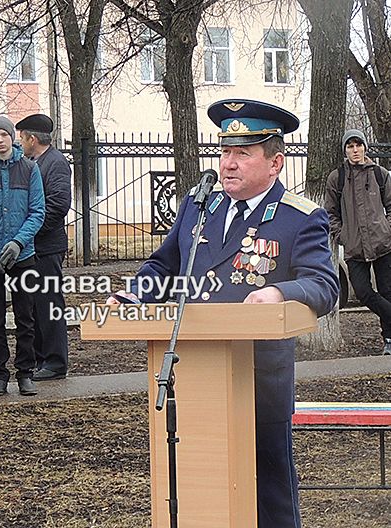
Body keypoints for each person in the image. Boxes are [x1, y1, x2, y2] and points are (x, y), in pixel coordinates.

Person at [109, 99, 338, 528]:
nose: (228, 164)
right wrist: (135, 294)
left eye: (243, 153)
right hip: (195, 379)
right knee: (200, 488)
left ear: (276, 164)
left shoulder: (299, 219)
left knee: (269, 495)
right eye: (225, 152)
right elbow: (163, 265)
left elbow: (324, 285)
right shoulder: (199, 209)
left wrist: (279, 293)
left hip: (257, 380)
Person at [0, 115, 45, 397]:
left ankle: (25, 372)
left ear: (11, 137)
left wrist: (17, 242)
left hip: (23, 255)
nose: (0, 141)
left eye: (4, 135)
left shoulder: (28, 169)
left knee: (25, 316)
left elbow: (37, 212)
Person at [16, 113, 72, 381]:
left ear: (32, 139)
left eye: (22, 138)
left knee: (49, 304)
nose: (20, 143)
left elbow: (58, 205)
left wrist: (30, 230)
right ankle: (42, 358)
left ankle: (55, 361)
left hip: (46, 247)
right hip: (34, 246)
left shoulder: (56, 163)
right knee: (36, 306)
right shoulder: (34, 162)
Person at [324, 129, 391, 355]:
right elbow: (330, 213)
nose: (355, 150)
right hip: (354, 248)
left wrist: (387, 230)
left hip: (383, 245)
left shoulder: (380, 174)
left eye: (358, 145)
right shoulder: (338, 178)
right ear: (345, 150)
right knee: (363, 292)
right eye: (350, 146)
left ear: (365, 147)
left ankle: (389, 340)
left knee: (387, 291)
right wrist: (343, 235)